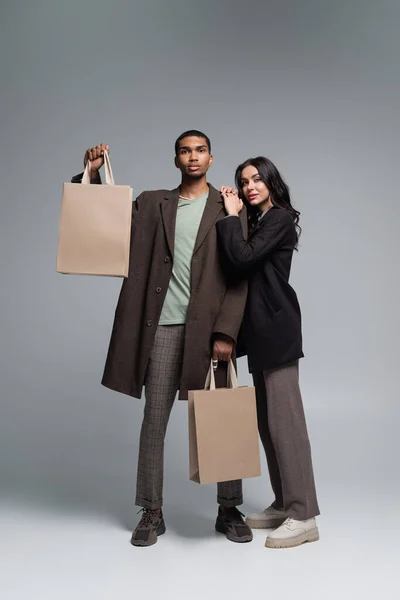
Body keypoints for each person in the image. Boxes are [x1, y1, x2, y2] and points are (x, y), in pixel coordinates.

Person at [71, 131, 253, 546]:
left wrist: (226, 332)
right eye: (185, 151)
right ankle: (151, 510)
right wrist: (94, 176)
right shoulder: (154, 202)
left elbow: (240, 276)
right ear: (176, 160)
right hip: (163, 329)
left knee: (222, 415)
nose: (193, 157)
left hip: (209, 332)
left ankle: (228, 508)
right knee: (154, 420)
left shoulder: (228, 206)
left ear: (211, 158)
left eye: (200, 150)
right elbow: (107, 220)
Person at [216, 156, 320, 549]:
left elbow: (241, 257)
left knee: (286, 425)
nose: (249, 187)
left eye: (257, 179)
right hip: (258, 334)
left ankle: (304, 514)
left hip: (277, 330)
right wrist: (239, 217)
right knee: (269, 425)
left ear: (271, 182)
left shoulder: (278, 217)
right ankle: (285, 503)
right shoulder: (258, 221)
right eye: (243, 182)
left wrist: (230, 217)